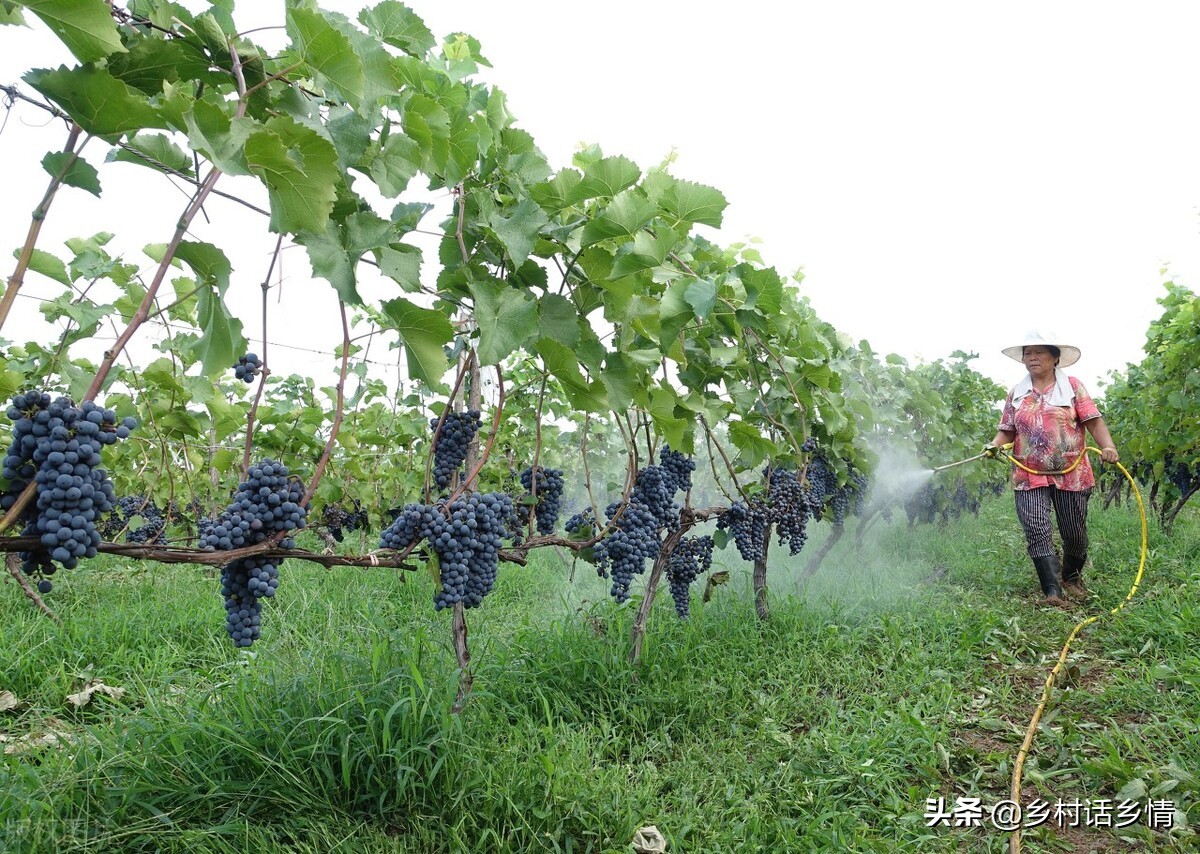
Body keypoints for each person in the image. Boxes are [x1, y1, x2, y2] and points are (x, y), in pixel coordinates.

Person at [985, 331, 1119, 606]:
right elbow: (1007, 431)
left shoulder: (1072, 386)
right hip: (1028, 473)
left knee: (1074, 532)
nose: (1032, 357)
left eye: (1039, 352)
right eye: (1027, 353)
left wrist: (1109, 447)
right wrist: (994, 445)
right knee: (1036, 528)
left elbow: (1093, 422)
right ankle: (1052, 592)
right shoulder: (1017, 393)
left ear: (1055, 358)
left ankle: (1071, 577)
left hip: (1072, 472)